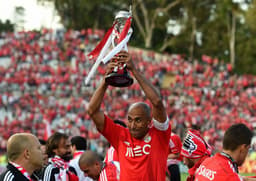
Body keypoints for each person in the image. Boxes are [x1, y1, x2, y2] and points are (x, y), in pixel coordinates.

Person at [87, 51, 171, 181]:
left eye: (138, 120)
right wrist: (106, 80)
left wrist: (134, 70)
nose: (132, 125)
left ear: (149, 122)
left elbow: (157, 102)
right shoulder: (120, 136)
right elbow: (92, 110)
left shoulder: (159, 135)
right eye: (130, 120)